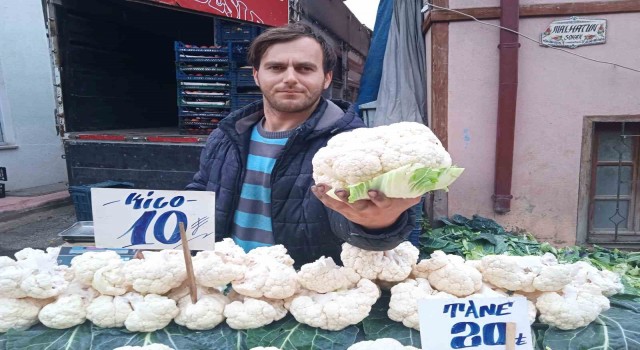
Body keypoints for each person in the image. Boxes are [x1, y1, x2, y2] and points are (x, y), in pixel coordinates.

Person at [186, 22, 420, 266]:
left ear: (327, 78)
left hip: (305, 293)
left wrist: (376, 224)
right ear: (256, 75)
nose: (290, 78)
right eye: (276, 67)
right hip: (227, 288)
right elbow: (203, 190)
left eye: (304, 68)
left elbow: (356, 229)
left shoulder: (351, 147)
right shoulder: (226, 135)